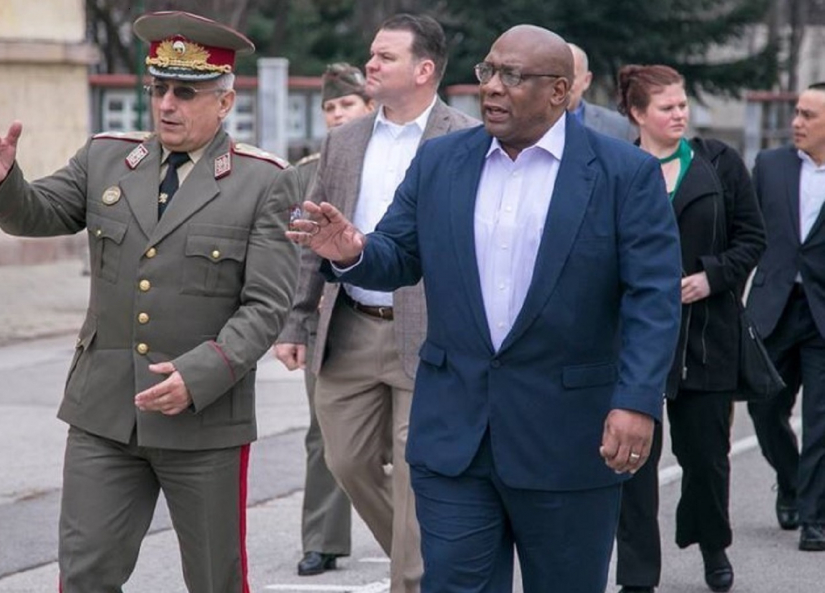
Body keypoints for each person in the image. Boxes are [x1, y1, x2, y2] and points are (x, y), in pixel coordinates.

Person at [289, 24, 682, 593]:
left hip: (568, 439)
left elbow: (653, 297)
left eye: (513, 76)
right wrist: (352, 253)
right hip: (456, 437)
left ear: (558, 91)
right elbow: (398, 254)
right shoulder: (441, 162)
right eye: (488, 72)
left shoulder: (624, 174)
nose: (493, 88)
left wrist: (637, 401)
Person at [0, 11, 299, 593]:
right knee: (86, 573)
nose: (167, 104)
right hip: (104, 414)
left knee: (215, 580)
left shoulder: (262, 182)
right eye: (159, 89)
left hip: (203, 423)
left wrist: (200, 375)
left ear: (224, 103)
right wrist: (3, 182)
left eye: (186, 92)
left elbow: (267, 307)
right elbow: (40, 212)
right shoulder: (106, 159)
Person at [278, 13, 477, 593]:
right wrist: (296, 319)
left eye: (384, 57)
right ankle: (434, 562)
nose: (370, 65)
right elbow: (313, 234)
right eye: (371, 55)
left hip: (431, 333)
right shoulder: (345, 139)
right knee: (346, 462)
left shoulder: (465, 138)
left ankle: (412, 581)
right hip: (352, 327)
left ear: (424, 69)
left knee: (418, 474)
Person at [614, 65, 767, 593]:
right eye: (666, 107)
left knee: (705, 457)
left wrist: (712, 277)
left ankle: (713, 546)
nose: (679, 114)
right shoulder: (617, 166)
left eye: (682, 105)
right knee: (631, 459)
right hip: (632, 337)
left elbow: (752, 237)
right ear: (637, 114)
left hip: (706, 334)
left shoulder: (718, 163)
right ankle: (637, 574)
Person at [273, 62, 375, 577]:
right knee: (325, 434)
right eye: (330, 108)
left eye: (347, 105)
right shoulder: (304, 171)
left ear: (370, 106)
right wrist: (292, 320)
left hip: (391, 313)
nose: (337, 115)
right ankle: (323, 538)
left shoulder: (390, 158)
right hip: (325, 319)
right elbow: (292, 253)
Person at [745, 82, 825, 552]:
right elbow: (748, 236)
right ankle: (792, 481)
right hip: (774, 308)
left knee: (820, 420)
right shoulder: (769, 166)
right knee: (765, 406)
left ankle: (815, 516)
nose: (796, 122)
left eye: (808, 116)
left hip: (821, 314)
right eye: (796, 113)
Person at [567, 42, 635, 141]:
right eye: (554, 76)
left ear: (586, 80)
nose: (561, 86)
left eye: (571, 77)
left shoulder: (618, 126)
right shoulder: (536, 124)